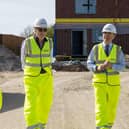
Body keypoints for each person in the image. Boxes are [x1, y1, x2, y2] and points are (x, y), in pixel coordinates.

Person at [87, 24, 125, 129]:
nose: (107, 35)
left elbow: (122, 66)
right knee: (100, 106)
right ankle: (100, 127)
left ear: (114, 36)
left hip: (114, 84)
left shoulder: (118, 50)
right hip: (99, 83)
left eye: (109, 33)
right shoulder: (96, 48)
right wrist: (97, 67)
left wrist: (112, 66)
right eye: (105, 33)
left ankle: (108, 126)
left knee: (112, 107)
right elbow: (89, 63)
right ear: (102, 34)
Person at [21, 18, 54, 129]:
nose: (42, 32)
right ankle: (31, 125)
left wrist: (50, 69)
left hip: (46, 78)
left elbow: (49, 58)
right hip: (31, 78)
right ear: (34, 29)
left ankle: (41, 125)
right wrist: (27, 72)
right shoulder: (27, 42)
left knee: (45, 102)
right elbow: (23, 59)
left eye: (44, 30)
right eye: (40, 29)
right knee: (31, 103)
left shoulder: (49, 42)